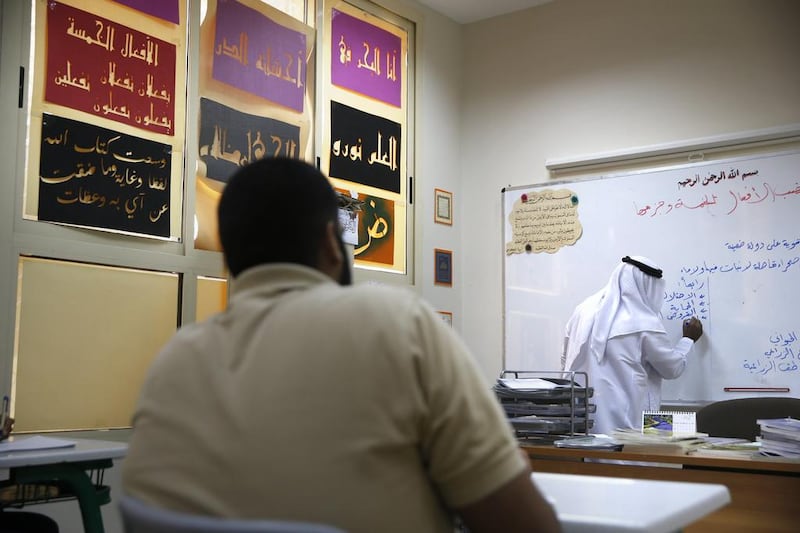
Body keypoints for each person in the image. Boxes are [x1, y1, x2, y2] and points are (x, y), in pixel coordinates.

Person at [122, 157, 560, 533]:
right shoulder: (397, 324)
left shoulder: (174, 361)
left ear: (230, 257)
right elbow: (522, 524)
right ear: (333, 242)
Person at [561, 256, 703, 436]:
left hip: (581, 424)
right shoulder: (644, 321)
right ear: (648, 283)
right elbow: (672, 368)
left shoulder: (582, 311)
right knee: (630, 460)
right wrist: (688, 340)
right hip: (631, 427)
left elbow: (565, 359)